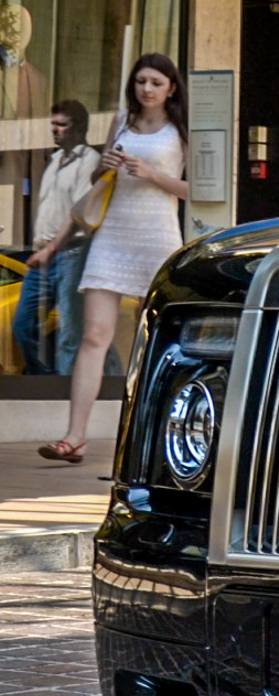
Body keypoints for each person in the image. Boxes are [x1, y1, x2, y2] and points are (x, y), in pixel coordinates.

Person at [42, 55, 188, 464]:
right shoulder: (121, 119)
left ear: (171, 88)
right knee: (93, 336)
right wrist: (102, 167)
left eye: (156, 82)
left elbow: (197, 189)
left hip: (157, 235)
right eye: (141, 81)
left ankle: (152, 438)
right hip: (111, 236)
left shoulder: (181, 129)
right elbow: (98, 183)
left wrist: (152, 174)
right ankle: (74, 437)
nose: (147, 89)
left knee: (156, 341)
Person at [16, 100, 98, 375]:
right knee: (23, 326)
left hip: (70, 253)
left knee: (71, 334)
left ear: (79, 128)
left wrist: (52, 248)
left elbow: (79, 213)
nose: (55, 130)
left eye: (62, 124)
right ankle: (47, 381)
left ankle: (64, 392)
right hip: (42, 256)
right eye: (52, 124)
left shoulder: (88, 161)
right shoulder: (52, 162)